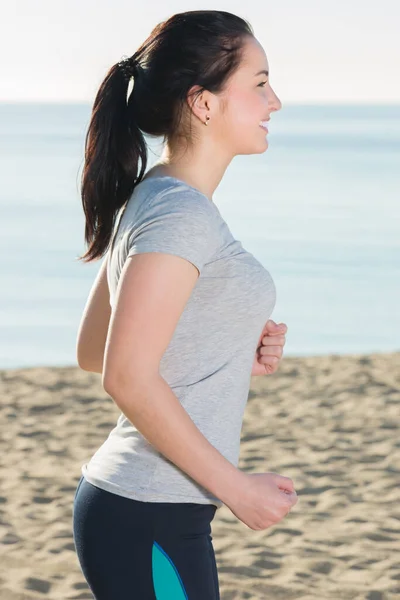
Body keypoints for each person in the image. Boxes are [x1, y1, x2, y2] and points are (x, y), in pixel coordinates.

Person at [72, 9, 298, 599]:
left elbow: (94, 349)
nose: (274, 101)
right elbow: (123, 374)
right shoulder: (180, 213)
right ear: (204, 103)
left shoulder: (156, 197)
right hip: (148, 512)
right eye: (259, 83)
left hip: (143, 510)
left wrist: (226, 345)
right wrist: (238, 489)